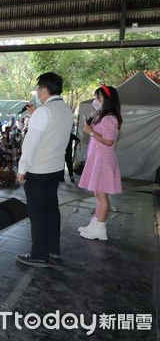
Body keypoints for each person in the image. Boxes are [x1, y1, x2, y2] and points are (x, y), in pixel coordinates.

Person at [15, 72, 73, 268]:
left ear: (45, 89)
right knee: (51, 209)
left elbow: (30, 144)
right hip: (56, 168)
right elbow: (53, 131)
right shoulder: (65, 110)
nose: (37, 93)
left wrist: (22, 168)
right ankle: (53, 248)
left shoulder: (43, 112)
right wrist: (36, 113)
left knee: (37, 213)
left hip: (38, 170)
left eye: (38, 89)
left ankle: (39, 254)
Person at [78, 85, 122, 241]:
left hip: (103, 160)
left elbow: (109, 141)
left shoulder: (110, 118)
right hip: (98, 158)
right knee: (98, 194)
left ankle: (100, 228)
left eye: (99, 97)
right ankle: (95, 224)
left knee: (102, 195)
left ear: (107, 100)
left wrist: (91, 132)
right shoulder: (104, 116)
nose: (96, 100)